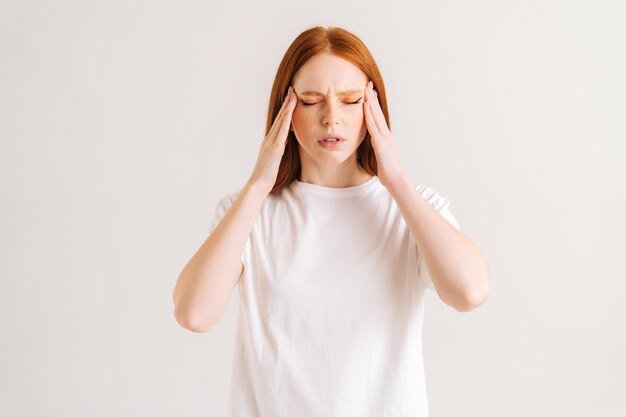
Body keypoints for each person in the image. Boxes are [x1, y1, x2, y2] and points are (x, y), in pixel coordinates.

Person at [172, 25, 491, 417]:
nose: (331, 118)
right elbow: (194, 313)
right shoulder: (249, 214)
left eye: (350, 100)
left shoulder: (412, 210)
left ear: (372, 107)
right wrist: (257, 185)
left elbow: (470, 291)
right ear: (285, 110)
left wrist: (397, 183)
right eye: (310, 100)